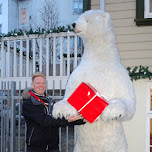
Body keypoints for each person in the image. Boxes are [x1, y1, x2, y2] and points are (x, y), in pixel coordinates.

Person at [22, 72, 86, 152]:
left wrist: (82, 120)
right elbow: (45, 121)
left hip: (53, 147)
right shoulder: (28, 103)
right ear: (32, 85)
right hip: (36, 148)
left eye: (43, 83)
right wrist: (67, 120)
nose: (41, 85)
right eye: (38, 83)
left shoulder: (50, 101)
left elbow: (60, 119)